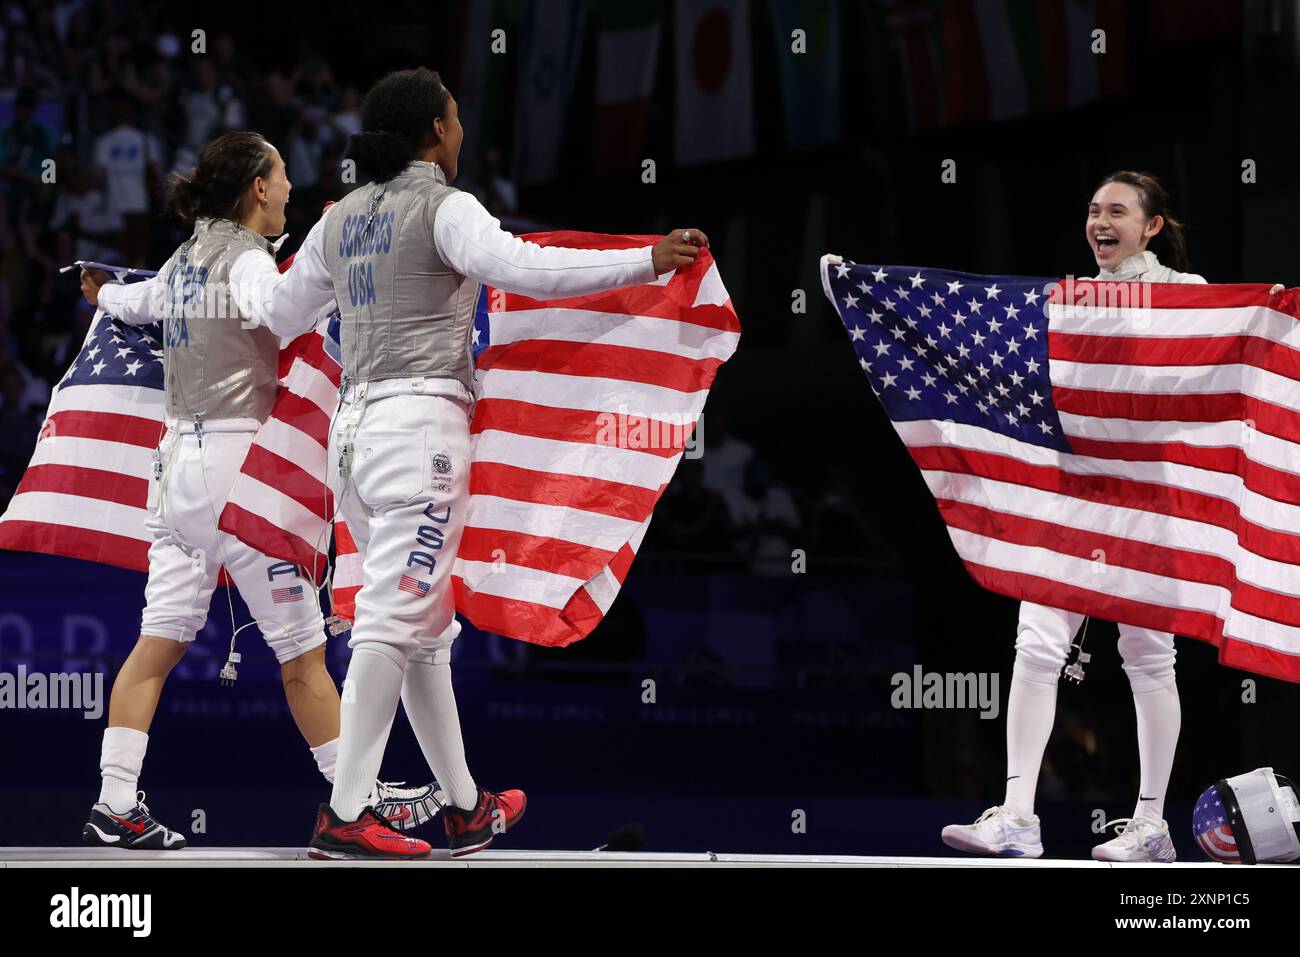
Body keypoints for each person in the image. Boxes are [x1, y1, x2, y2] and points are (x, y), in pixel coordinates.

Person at [230, 67, 709, 860]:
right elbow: (525, 268)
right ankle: (345, 812)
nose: (459, 130)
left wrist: (239, 252)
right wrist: (644, 259)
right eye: (452, 119)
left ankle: (463, 807)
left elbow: (279, 313)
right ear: (434, 132)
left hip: (351, 441)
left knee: (424, 626)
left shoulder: (341, 217)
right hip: (419, 436)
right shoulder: (445, 206)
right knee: (394, 617)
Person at [78, 131, 437, 852]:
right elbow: (276, 309)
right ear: (257, 190)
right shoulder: (245, 259)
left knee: (158, 642)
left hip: (175, 473)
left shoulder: (181, 260)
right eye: (280, 177)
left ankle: (114, 803)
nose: (289, 190)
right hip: (237, 475)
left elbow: (136, 300)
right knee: (302, 653)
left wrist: (101, 292)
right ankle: (354, 803)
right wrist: (342, 272)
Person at [941, 171, 1204, 863]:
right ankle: (1019, 814)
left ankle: (1151, 825)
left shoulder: (1189, 296)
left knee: (1148, 658)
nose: (1100, 221)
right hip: (1072, 495)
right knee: (1036, 642)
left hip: (1148, 500)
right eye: (1092, 210)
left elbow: (1221, 359)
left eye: (1116, 210)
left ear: (1150, 226)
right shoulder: (1066, 298)